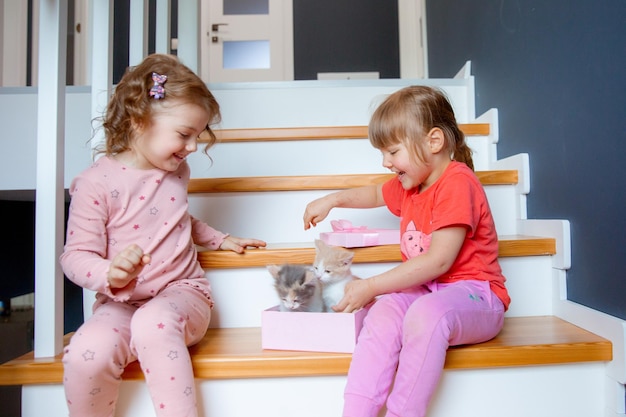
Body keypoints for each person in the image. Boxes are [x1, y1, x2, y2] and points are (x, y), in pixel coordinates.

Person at [60, 53, 266, 417]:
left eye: (198, 136)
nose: (191, 148)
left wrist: (220, 239)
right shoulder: (94, 184)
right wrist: (109, 273)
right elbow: (75, 256)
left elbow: (176, 219)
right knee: (85, 352)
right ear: (140, 121)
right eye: (185, 135)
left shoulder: (175, 171)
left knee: (152, 325)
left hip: (182, 293)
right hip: (120, 303)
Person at [303, 85, 510, 417]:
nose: (386, 162)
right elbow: (373, 194)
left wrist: (371, 285)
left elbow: (438, 259)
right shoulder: (412, 185)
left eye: (392, 152)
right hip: (427, 291)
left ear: (434, 142)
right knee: (382, 315)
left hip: (477, 295)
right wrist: (333, 199)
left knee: (426, 314)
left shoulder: (458, 183)